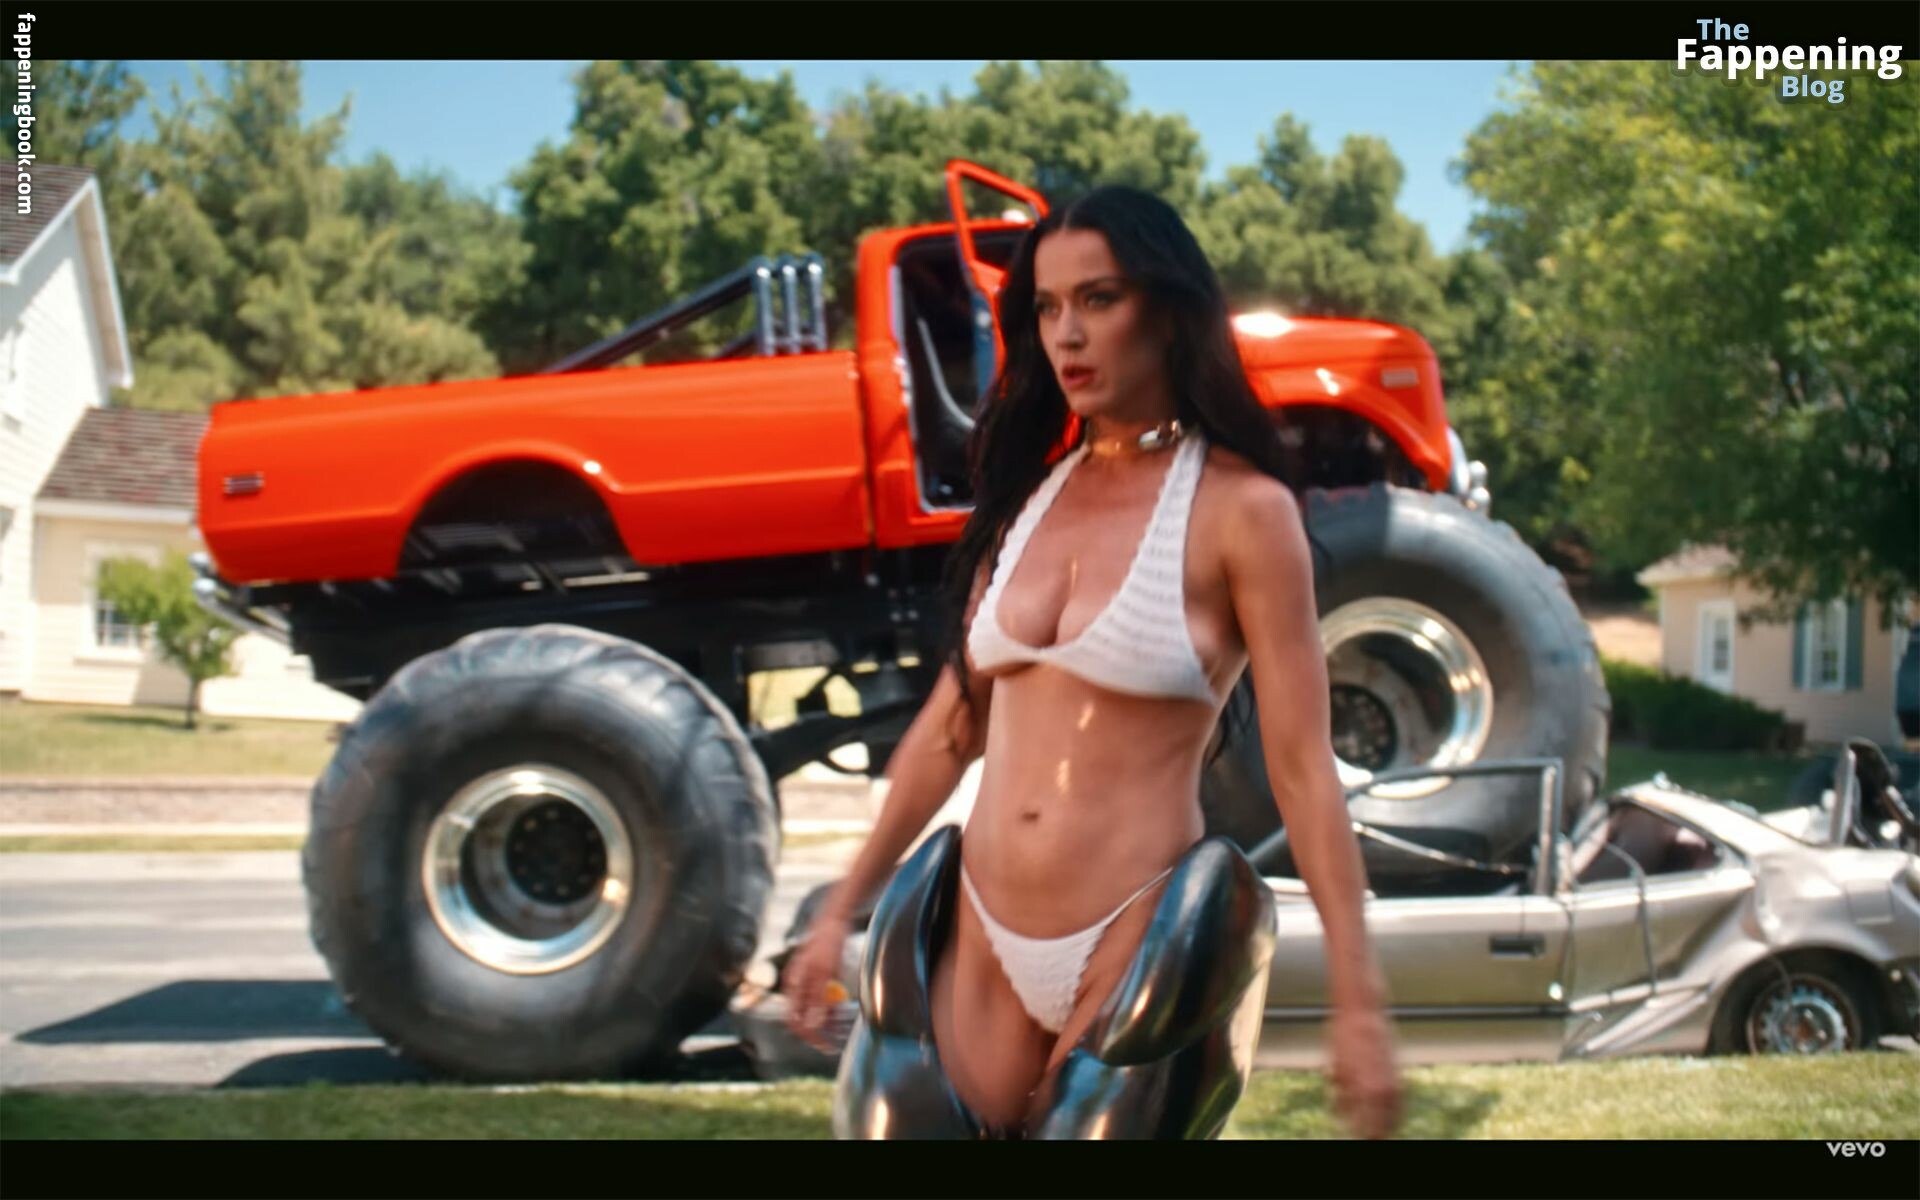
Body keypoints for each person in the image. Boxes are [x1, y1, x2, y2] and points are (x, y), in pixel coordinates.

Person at [785, 183, 1401, 1140]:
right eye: (1047, 306)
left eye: (1098, 299)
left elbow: (1302, 770)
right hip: (981, 934)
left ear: (1168, 311)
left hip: (1133, 944)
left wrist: (1359, 999)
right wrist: (839, 913)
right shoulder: (1024, 508)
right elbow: (948, 734)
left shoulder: (1243, 513)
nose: (1066, 334)